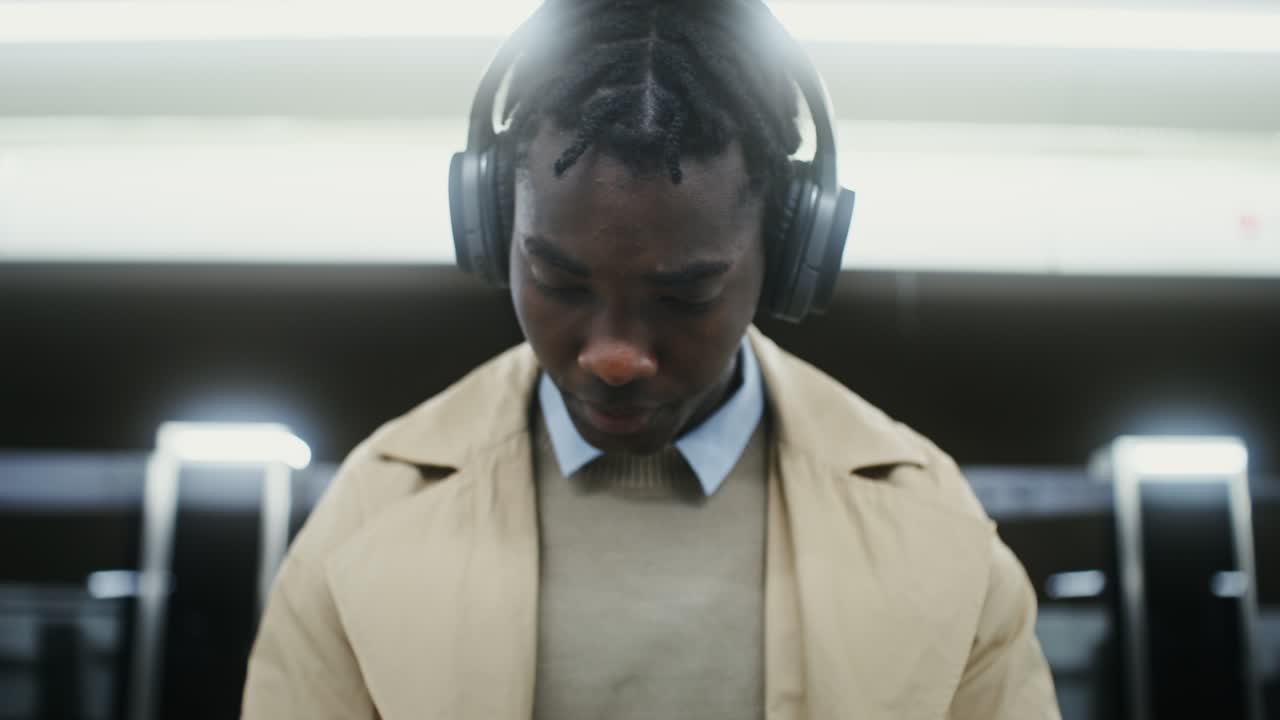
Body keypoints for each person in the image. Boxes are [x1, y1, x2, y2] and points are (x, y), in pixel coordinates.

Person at [242, 1, 1061, 718]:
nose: (615, 357)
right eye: (558, 280)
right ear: (493, 228)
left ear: (788, 247)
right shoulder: (371, 514)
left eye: (683, 297)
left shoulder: (934, 531)